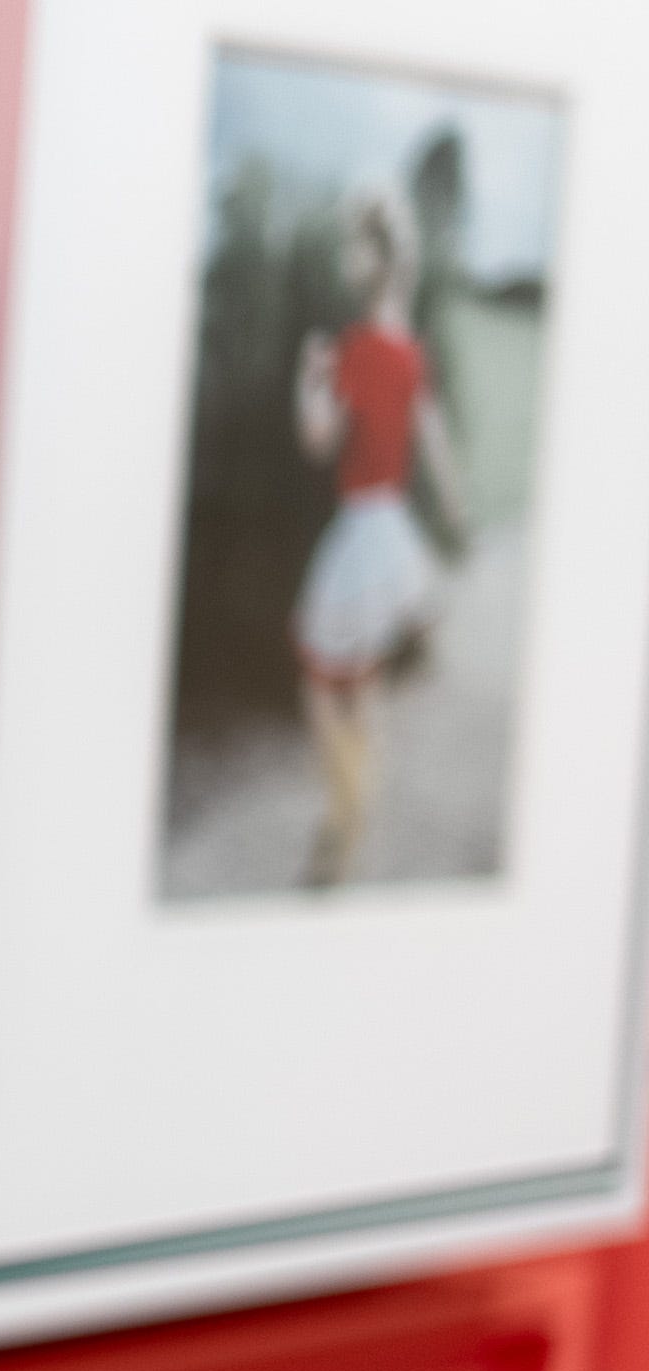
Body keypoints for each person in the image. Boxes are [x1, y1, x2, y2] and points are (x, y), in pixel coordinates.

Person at [290, 187, 463, 887]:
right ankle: (355, 814)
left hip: (362, 527)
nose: (346, 257)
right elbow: (434, 439)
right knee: (363, 682)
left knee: (317, 676)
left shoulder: (355, 351)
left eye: (355, 244)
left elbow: (317, 440)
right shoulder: (411, 353)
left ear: (381, 258)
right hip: (394, 530)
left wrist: (307, 380)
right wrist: (454, 510)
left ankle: (347, 810)